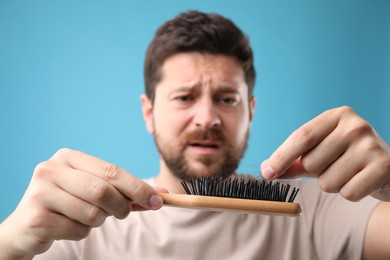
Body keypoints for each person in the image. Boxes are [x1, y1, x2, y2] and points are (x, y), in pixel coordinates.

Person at [0, 10, 389, 260]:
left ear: (250, 112)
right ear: (148, 112)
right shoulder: (82, 229)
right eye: (185, 97)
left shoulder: (315, 210)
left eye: (226, 99)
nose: (207, 118)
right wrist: (9, 242)